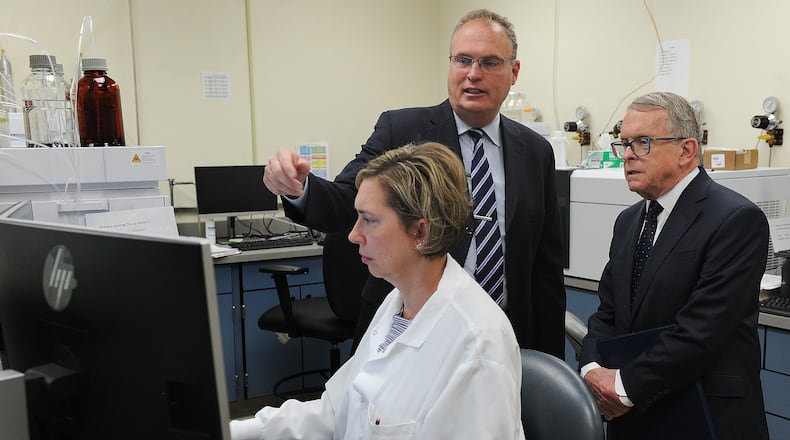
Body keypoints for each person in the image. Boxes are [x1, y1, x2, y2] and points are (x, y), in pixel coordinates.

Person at [263, 8, 566, 359]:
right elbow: (346, 201)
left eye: (489, 63)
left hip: (501, 340)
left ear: (514, 72)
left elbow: (545, 269)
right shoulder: (401, 130)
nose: (473, 74)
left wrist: (551, 363)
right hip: (410, 334)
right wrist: (300, 189)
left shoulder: (536, 151)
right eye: (463, 60)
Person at [231, 142, 525, 439]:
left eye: (368, 220)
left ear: (421, 232)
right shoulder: (397, 304)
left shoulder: (477, 344)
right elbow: (339, 409)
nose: (353, 234)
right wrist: (233, 431)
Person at [578, 91, 769, 439]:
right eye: (625, 144)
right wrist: (592, 370)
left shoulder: (736, 220)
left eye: (643, 143)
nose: (629, 155)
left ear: (686, 151)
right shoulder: (629, 221)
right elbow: (607, 313)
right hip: (633, 415)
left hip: (704, 415)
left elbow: (700, 332)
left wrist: (623, 386)